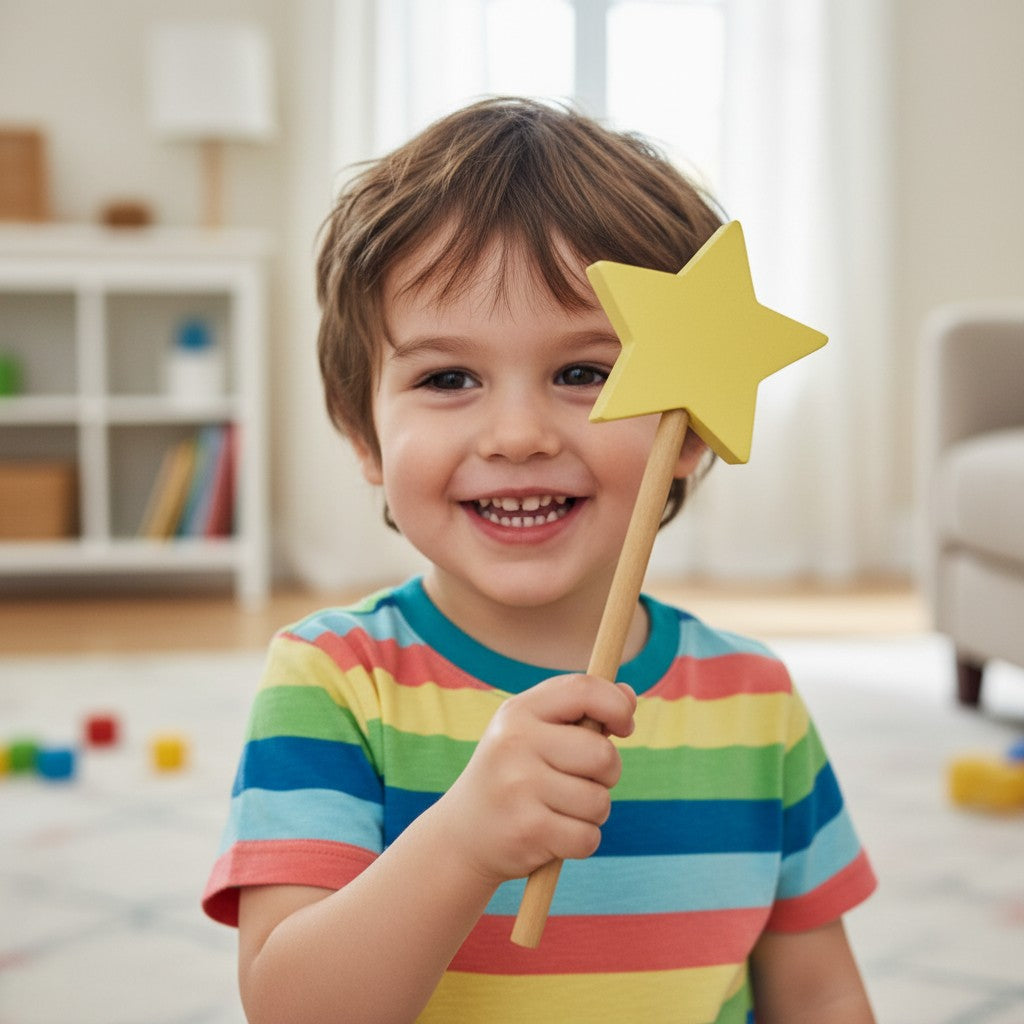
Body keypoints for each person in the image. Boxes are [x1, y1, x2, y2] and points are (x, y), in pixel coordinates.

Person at [202, 97, 877, 1023]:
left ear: (690, 432)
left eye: (587, 374)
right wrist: (465, 841)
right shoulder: (333, 683)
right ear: (364, 434)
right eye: (448, 378)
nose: (517, 436)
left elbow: (823, 994)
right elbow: (295, 1010)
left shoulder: (756, 699)